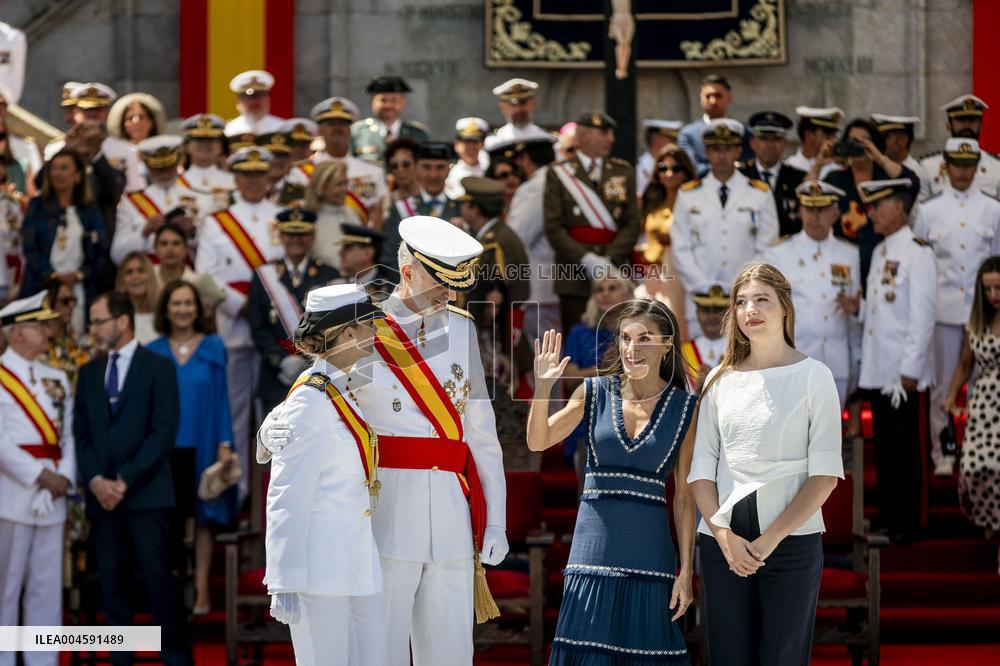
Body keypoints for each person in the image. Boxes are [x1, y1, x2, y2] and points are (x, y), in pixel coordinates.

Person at [260, 216, 508, 666]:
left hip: (452, 515)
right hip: (386, 515)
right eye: (442, 284)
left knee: (452, 654)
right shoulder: (366, 329)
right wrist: (267, 434)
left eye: (457, 285)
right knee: (383, 654)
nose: (451, 295)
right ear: (409, 271)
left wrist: (495, 520)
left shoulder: (461, 328)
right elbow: (316, 389)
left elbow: (481, 432)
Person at [689, 262, 843, 666]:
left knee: (782, 657)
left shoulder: (815, 376)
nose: (749, 309)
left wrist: (769, 541)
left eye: (762, 300)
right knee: (728, 656)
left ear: (785, 308)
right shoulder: (718, 378)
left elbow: (825, 475)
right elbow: (701, 471)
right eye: (741, 302)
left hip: (790, 539)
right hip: (724, 542)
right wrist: (723, 538)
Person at [527, 299, 698, 664]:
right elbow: (538, 441)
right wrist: (543, 388)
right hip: (592, 554)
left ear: (667, 344)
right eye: (625, 338)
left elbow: (685, 498)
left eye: (644, 338)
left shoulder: (686, 408)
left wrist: (686, 571)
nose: (632, 349)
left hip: (651, 556)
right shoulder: (592, 392)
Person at [261, 283, 388, 665]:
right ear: (348, 332)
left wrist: (267, 429)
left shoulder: (341, 388)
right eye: (369, 325)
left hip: (357, 560)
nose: (375, 334)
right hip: (320, 570)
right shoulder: (311, 398)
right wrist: (282, 578)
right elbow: (286, 491)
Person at [74, 291, 192, 665]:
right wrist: (96, 480)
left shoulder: (158, 366)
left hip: (148, 495)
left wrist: (123, 481)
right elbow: (81, 435)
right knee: (112, 584)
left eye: (97, 321)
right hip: (102, 498)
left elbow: (163, 431)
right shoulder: (88, 372)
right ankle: (120, 659)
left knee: (158, 580)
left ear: (121, 321)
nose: (91, 329)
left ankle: (173, 656)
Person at [194, 147, 283, 493]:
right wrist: (242, 306)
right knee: (236, 409)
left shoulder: (281, 217)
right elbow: (205, 276)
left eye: (259, 175)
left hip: (276, 326)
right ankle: (240, 486)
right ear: (236, 179)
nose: (253, 182)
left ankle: (271, 484)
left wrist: (262, 309)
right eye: (247, 175)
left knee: (274, 409)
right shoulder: (217, 222)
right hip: (235, 322)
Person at [147, 280, 236, 615]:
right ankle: (170, 588)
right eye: (176, 303)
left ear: (198, 309)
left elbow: (223, 400)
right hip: (165, 448)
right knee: (166, 519)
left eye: (188, 303)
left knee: (203, 518)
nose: (182, 310)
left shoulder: (213, 346)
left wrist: (225, 442)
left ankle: (200, 589)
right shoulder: (153, 350)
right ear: (166, 310)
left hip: (202, 439)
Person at [856, 178, 936, 542]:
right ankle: (891, 519)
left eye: (878, 205)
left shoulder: (918, 252)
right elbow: (879, 312)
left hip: (904, 374)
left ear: (900, 208)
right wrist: (855, 308)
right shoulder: (882, 251)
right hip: (879, 370)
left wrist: (910, 371)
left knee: (909, 451)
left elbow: (922, 315)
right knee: (887, 451)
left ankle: (913, 522)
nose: (871, 212)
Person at [916, 139, 1000, 477]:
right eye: (956, 165)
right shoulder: (929, 210)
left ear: (977, 167)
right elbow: (921, 262)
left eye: (969, 165)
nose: (963, 172)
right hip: (945, 310)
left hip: (984, 312)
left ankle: (985, 445)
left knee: (987, 382)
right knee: (943, 385)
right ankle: (944, 450)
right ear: (945, 167)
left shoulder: (993, 208)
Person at [0, 291, 75, 666]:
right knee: (6, 589)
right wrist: (40, 476)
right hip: (14, 495)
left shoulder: (56, 376)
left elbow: (69, 436)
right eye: (37, 326)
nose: (47, 331)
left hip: (54, 494)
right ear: (16, 333)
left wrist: (63, 477)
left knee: (46, 590)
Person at [670, 119, 778, 336]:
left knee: (745, 364)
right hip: (700, 302)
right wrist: (704, 287)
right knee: (701, 364)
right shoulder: (688, 194)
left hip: (746, 299)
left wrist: (742, 286)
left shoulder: (759, 193)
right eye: (715, 149)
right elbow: (681, 247)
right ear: (706, 152)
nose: (721, 155)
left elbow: (767, 246)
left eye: (727, 148)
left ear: (738, 150)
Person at [762, 180, 862, 405]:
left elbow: (853, 317)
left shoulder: (849, 254)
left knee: (832, 434)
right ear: (800, 211)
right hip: (796, 360)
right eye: (809, 208)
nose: (815, 216)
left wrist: (857, 358)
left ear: (835, 213)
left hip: (836, 361)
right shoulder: (779, 254)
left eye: (822, 209)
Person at [543, 111, 641, 334]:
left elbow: (632, 223)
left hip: (614, 273)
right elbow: (553, 227)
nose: (611, 139)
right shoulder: (558, 173)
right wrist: (586, 259)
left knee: (618, 338)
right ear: (582, 135)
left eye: (612, 133)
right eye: (604, 132)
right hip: (573, 275)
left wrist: (609, 261)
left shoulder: (623, 171)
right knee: (577, 342)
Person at [248, 208, 339, 414]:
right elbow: (257, 326)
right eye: (290, 234)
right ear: (280, 236)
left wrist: (311, 360)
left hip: (317, 372)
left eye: (302, 234)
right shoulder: (264, 275)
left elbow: (334, 326)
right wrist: (279, 360)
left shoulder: (329, 274)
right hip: (275, 373)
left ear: (312, 236)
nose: (296, 240)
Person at [942, 256, 1000, 571]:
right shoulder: (976, 320)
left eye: (999, 288)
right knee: (975, 470)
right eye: (988, 288)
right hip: (984, 406)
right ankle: (991, 518)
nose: (994, 294)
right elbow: (966, 363)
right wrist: (951, 395)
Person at [816, 117, 919, 289]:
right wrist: (818, 164)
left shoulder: (885, 177)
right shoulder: (836, 179)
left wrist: (880, 158)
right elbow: (808, 202)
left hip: (884, 263)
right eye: (851, 141)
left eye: (862, 141)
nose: (856, 146)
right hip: (844, 267)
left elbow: (912, 184)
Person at [21, 148, 108, 330]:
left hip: (79, 289)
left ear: (77, 175)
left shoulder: (89, 210)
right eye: (54, 168)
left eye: (64, 168)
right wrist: (53, 277)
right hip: (41, 286)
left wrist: (79, 275)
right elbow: (30, 247)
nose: (57, 173)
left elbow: (102, 251)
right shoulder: (37, 206)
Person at [285, 97, 386, 227]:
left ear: (350, 129)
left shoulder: (373, 171)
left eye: (343, 123)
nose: (337, 127)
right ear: (320, 130)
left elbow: (378, 216)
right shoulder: (299, 171)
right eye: (331, 123)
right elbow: (294, 211)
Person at [503, 130, 561, 344]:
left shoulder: (534, 188)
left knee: (545, 360)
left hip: (540, 290)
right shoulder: (560, 181)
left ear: (526, 159)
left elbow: (516, 238)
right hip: (557, 285)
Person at [111, 135, 202, 264]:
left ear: (178, 161)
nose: (163, 171)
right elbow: (117, 254)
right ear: (146, 165)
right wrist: (144, 232)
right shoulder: (131, 202)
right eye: (157, 167)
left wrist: (193, 233)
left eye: (168, 166)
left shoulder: (197, 196)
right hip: (149, 276)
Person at [638, 145, 697, 334]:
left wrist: (674, 239)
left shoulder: (695, 202)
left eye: (676, 169)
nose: (669, 174)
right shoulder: (652, 200)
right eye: (663, 168)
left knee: (677, 324)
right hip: (651, 272)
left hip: (680, 273)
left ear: (686, 172)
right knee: (652, 327)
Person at [45, 83, 144, 193]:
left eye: (98, 109)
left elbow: (134, 189)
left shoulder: (126, 149)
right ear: (76, 113)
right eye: (87, 109)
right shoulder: (56, 148)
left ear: (106, 113)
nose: (93, 114)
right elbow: (44, 184)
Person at [380, 142, 462, 268]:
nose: (433, 175)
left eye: (439, 167)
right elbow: (388, 259)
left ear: (448, 170)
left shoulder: (461, 208)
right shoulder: (400, 209)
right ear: (417, 169)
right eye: (427, 167)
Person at [741, 111, 807, 237]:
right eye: (764, 139)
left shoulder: (798, 178)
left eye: (776, 139)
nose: (770, 145)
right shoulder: (740, 176)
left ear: (785, 144)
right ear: (753, 143)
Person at [921, 94, 1000, 197]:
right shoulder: (928, 166)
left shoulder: (996, 166)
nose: (966, 126)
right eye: (960, 120)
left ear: (981, 126)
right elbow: (921, 210)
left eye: (972, 121)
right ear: (948, 126)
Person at [677, 74, 751, 175]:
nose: (713, 101)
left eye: (718, 96)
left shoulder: (744, 132)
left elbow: (748, 164)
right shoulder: (688, 134)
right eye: (708, 96)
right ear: (700, 98)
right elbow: (691, 167)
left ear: (729, 98)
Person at [351, 75, 430, 162]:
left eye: (394, 100)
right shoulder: (357, 132)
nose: (388, 105)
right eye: (383, 100)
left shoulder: (418, 134)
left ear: (403, 102)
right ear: (372, 102)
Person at [303, 159, 363, 270]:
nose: (345, 189)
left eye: (346, 183)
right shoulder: (308, 219)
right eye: (339, 184)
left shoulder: (352, 213)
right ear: (321, 187)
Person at [179, 114, 234, 214]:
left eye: (211, 139)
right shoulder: (177, 182)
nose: (205, 144)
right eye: (199, 139)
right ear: (187, 146)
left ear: (221, 146)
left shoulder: (233, 182)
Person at [679, 283, 729, 392]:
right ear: (697, 313)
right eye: (706, 310)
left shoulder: (740, 348)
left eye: (718, 310)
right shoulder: (683, 351)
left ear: (729, 313)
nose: (712, 316)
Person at [871, 114, 932, 198]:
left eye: (886, 137)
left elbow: (919, 208)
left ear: (903, 140)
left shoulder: (918, 172)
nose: (880, 141)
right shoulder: (875, 168)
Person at [44, 279, 91, 386]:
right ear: (48, 304)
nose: (71, 306)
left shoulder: (82, 343)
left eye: (73, 300)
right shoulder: (39, 346)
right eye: (65, 301)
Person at [336, 223, 396, 301]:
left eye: (347, 248)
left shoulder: (390, 289)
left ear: (367, 253)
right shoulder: (337, 283)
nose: (340, 253)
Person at [116, 252, 160, 344]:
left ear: (150, 276)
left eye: (141, 271)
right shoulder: (115, 318)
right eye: (129, 272)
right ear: (122, 281)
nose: (135, 276)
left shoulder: (164, 314)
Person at [785, 106, 844, 175]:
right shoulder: (789, 167)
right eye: (828, 133)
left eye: (834, 134)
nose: (834, 139)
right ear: (808, 135)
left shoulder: (837, 169)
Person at [224, 70, 284, 137]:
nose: (254, 102)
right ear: (239, 101)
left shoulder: (282, 129)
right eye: (249, 97)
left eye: (259, 97)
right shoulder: (229, 130)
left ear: (268, 99)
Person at [445, 117, 489, 200]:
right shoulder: (448, 173)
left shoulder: (490, 171)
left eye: (475, 142)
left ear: (482, 144)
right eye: (466, 142)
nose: (471, 147)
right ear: (456, 145)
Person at [491, 78, 544, 143]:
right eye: (512, 105)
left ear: (533, 103)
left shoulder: (546, 139)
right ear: (502, 107)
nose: (519, 109)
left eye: (523, 103)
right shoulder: (494, 141)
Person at [384, 137, 421, 204]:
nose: (400, 170)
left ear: (417, 165)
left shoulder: (431, 197)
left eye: (406, 165)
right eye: (394, 166)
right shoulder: (387, 203)